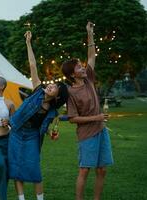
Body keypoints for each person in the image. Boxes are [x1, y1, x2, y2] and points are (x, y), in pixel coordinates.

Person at [8, 31, 68, 200]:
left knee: (33, 167)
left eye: (55, 87)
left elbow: (44, 126)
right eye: (52, 84)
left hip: (33, 136)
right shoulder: (36, 91)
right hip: (17, 132)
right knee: (15, 166)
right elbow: (33, 65)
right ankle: (21, 198)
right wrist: (28, 43)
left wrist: (51, 134)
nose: (51, 86)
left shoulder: (52, 111)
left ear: (57, 96)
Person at [61, 22, 113, 200]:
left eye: (81, 66)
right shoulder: (70, 92)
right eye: (78, 67)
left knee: (102, 169)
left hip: (101, 131)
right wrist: (97, 117)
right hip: (87, 135)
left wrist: (90, 33)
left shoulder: (89, 79)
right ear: (71, 74)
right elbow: (72, 118)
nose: (83, 68)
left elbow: (92, 55)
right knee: (84, 170)